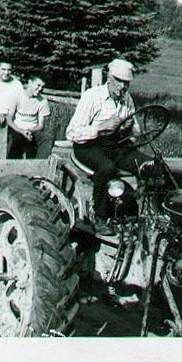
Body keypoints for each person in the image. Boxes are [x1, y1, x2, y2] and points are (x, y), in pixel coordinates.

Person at [65, 58, 150, 234]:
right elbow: (72, 133)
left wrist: (129, 131)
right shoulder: (92, 96)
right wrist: (100, 127)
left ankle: (148, 213)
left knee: (149, 166)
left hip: (116, 146)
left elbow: (136, 131)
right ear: (109, 79)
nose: (123, 88)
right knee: (107, 167)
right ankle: (100, 216)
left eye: (126, 83)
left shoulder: (127, 99)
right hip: (88, 146)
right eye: (119, 82)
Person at [6, 75, 54, 159]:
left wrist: (29, 131)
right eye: (38, 85)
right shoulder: (17, 96)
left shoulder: (43, 101)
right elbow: (9, 120)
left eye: (42, 87)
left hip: (33, 130)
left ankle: (39, 165)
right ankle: (12, 165)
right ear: (30, 83)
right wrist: (22, 131)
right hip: (17, 128)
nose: (40, 89)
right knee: (15, 139)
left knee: (47, 138)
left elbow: (40, 125)